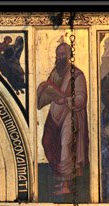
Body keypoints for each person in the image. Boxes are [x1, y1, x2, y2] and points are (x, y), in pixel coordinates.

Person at [37, 42, 89, 198]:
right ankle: (60, 178)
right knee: (47, 142)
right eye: (57, 55)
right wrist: (43, 89)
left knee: (66, 146)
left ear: (69, 56)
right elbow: (48, 95)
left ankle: (66, 184)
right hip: (55, 114)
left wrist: (65, 100)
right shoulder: (55, 73)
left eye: (62, 55)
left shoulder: (77, 75)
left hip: (70, 115)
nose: (59, 58)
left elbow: (81, 99)